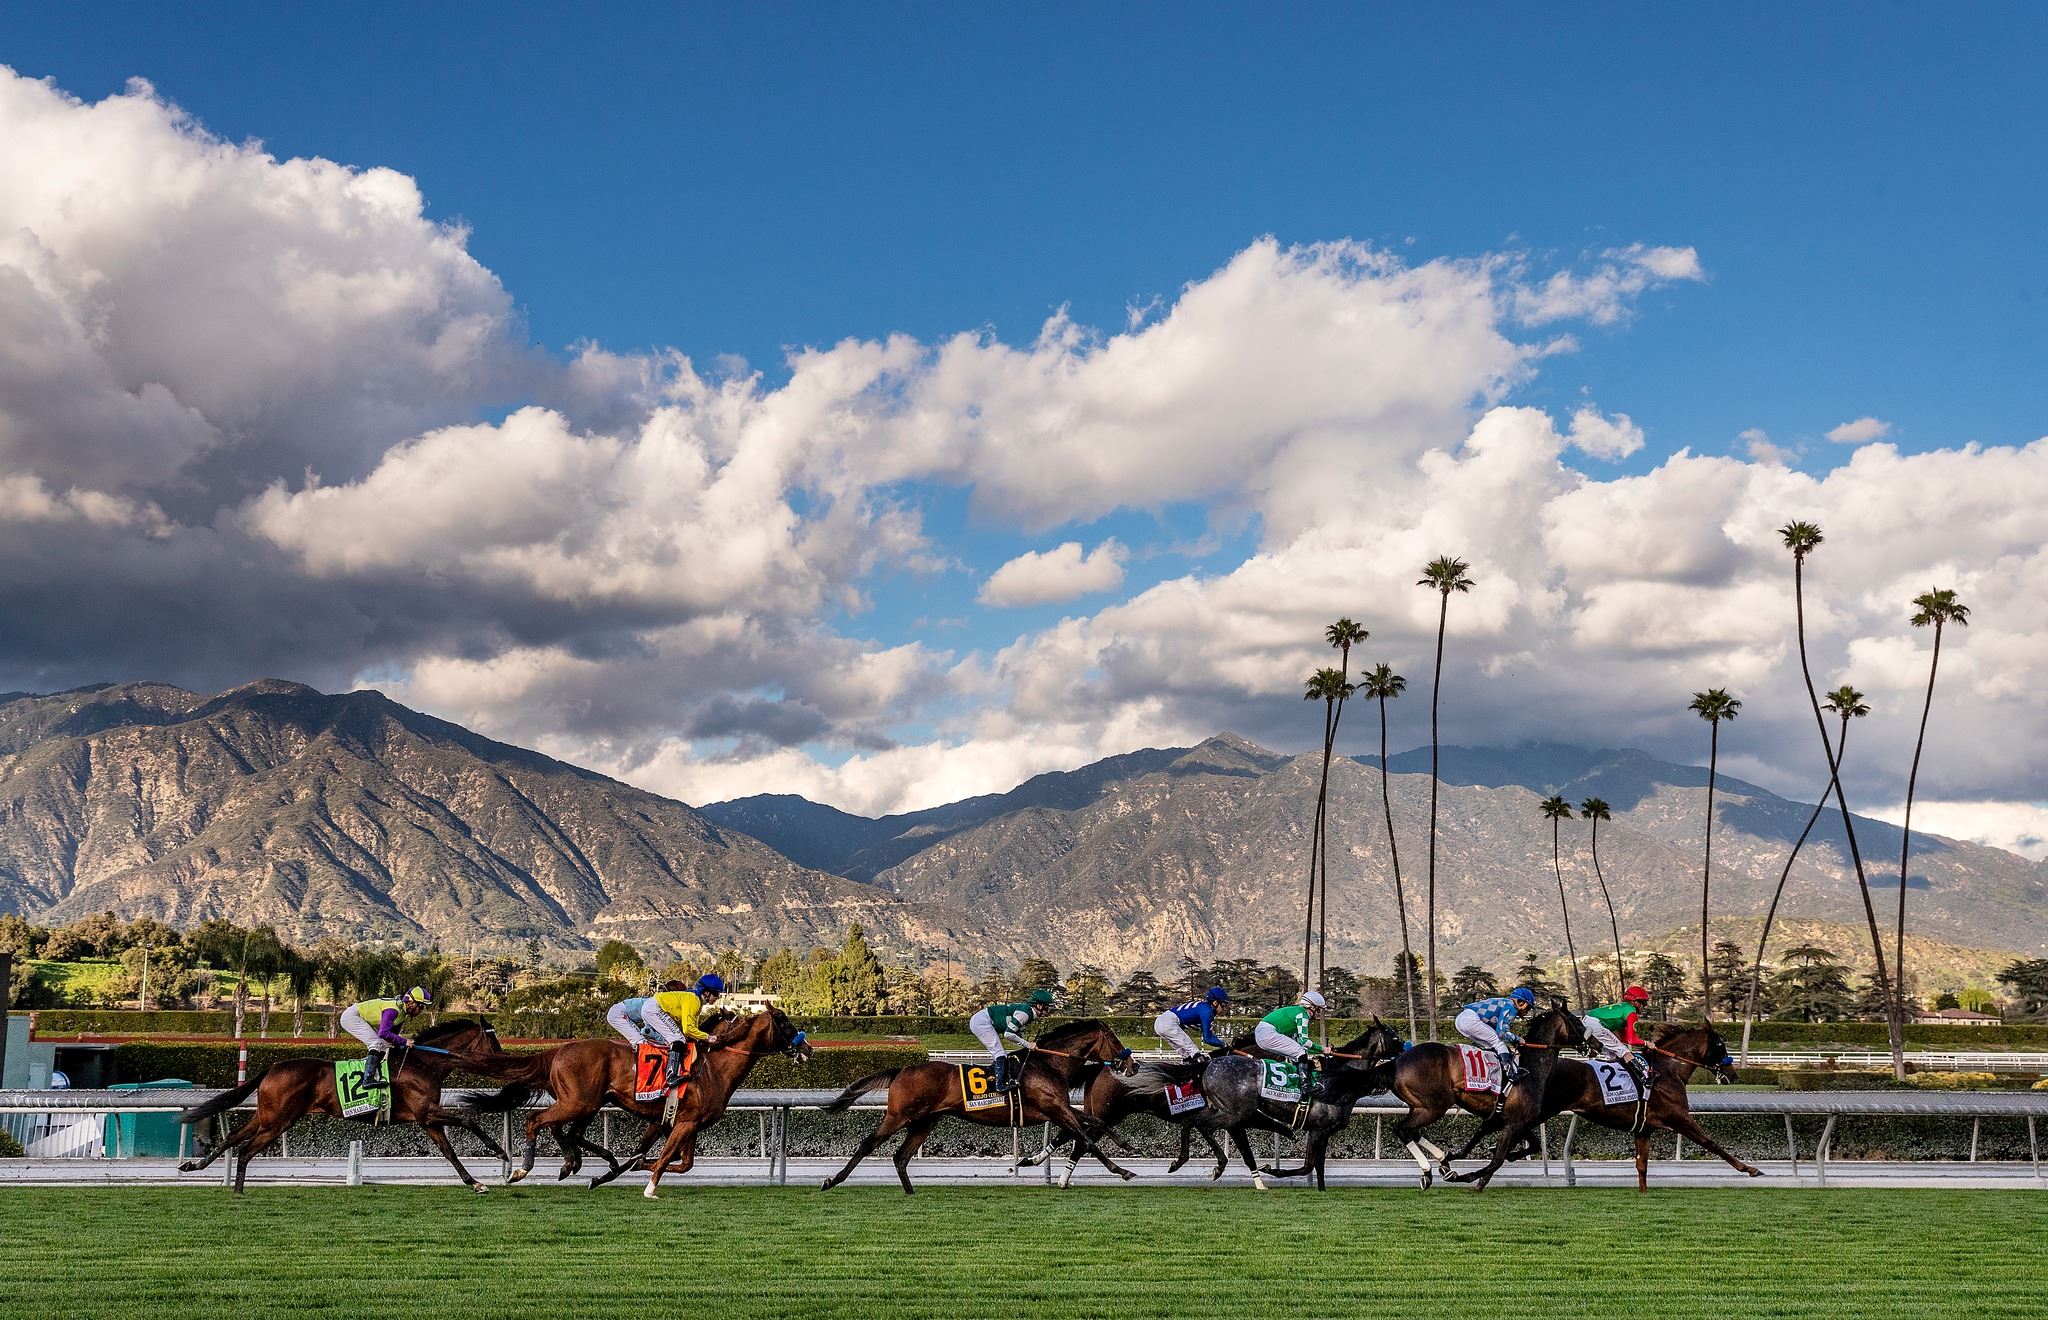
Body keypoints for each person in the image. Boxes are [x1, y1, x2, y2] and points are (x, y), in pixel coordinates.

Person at [339, 985, 432, 1088]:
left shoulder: (403, 1014)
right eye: (421, 1006)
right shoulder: (393, 1010)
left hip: (359, 1017)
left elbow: (391, 1038)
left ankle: (375, 1074)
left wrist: (402, 1044)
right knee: (376, 1043)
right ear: (411, 1003)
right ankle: (367, 1079)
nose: (421, 1010)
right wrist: (404, 1042)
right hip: (351, 1017)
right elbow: (383, 1033)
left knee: (384, 1044)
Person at [641, 974, 725, 1085]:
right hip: (654, 1009)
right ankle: (671, 1075)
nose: (717, 997)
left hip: (652, 1008)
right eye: (716, 993)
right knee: (678, 1039)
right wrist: (707, 1037)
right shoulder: (694, 1000)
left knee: (678, 1038)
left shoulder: (697, 1001)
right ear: (707, 992)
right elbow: (688, 1029)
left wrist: (699, 1038)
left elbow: (693, 1029)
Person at [969, 988, 1057, 1092]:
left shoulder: (1027, 1011)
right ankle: (999, 1086)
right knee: (999, 1054)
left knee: (1001, 1054)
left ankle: (995, 1077)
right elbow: (1008, 1034)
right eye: (1047, 1007)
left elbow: (1014, 1031)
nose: (1048, 1011)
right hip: (981, 1022)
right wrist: (1027, 1044)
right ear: (1039, 1005)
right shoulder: (1025, 1014)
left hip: (982, 1020)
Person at [1253, 990, 1327, 1098]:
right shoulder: (1303, 1015)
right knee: (1300, 1052)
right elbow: (1304, 1041)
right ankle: (1305, 1086)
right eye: (1319, 1010)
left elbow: (1299, 1044)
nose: (1319, 1014)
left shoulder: (1296, 1012)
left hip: (1262, 1033)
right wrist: (1322, 1049)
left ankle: (1295, 1084)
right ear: (1312, 1007)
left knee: (1298, 1052)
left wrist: (1319, 1050)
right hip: (1268, 1033)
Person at [1455, 986, 1535, 1085]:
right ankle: (1511, 1075)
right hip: (1470, 1020)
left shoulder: (1505, 1003)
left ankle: (1487, 1072)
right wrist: (1518, 1039)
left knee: (1489, 1045)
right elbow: (1502, 1033)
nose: (1527, 1011)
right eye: (1528, 1007)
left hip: (1460, 1020)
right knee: (1499, 1044)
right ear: (1521, 1002)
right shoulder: (1512, 1007)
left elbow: (1497, 1030)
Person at [1582, 985, 1654, 1087]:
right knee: (1625, 1052)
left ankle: (1613, 1082)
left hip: (1588, 1022)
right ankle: (1644, 1079)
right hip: (1596, 1025)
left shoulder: (1623, 1008)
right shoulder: (1631, 1012)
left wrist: (1643, 1043)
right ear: (1636, 1002)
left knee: (1613, 1056)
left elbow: (1624, 1038)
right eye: (1644, 1003)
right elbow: (1632, 1040)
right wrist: (1647, 1043)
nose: (1644, 1007)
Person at [1155, 986, 1231, 1062]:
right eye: (1223, 1005)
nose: (1224, 1009)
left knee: (1186, 1054)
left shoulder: (1203, 1007)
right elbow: (1208, 1038)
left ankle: (1187, 1062)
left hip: (1160, 1022)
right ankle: (1196, 1058)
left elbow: (1208, 1035)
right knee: (1194, 1052)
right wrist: (1224, 1045)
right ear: (1215, 1003)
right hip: (1168, 1022)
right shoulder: (1208, 1012)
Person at [605, 981, 684, 1048]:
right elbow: (646, 1031)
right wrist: (664, 1040)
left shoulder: (657, 1001)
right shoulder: (655, 1007)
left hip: (619, 1011)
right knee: (641, 1043)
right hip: (618, 1014)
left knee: (642, 1042)